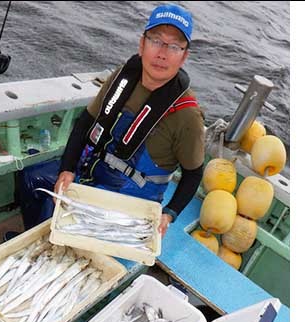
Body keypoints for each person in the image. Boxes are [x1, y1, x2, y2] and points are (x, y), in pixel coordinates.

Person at [12, 3, 205, 241]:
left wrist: (169, 214)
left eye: (174, 46)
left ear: (184, 56)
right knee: (32, 178)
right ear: (142, 44)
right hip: (95, 170)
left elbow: (194, 173)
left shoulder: (187, 116)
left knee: (58, 212)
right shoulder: (123, 77)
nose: (162, 53)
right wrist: (67, 168)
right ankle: (34, 242)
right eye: (156, 40)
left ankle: (45, 244)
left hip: (131, 197)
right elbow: (86, 122)